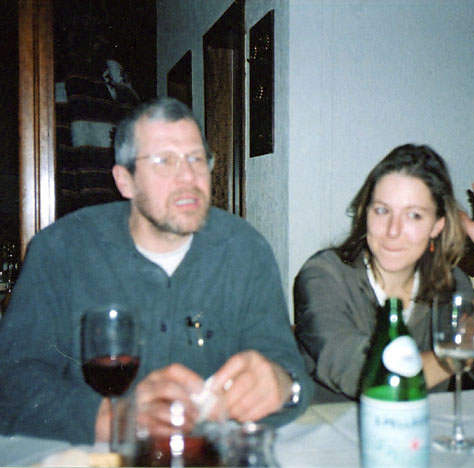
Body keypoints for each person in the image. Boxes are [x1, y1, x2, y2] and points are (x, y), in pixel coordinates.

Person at [0, 97, 313, 444]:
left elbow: (288, 370)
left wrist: (284, 385)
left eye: (197, 159)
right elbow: (11, 381)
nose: (188, 177)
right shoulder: (60, 250)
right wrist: (112, 419)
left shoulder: (245, 249)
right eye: (164, 161)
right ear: (125, 181)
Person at [294, 144, 474, 402]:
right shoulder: (325, 275)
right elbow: (360, 375)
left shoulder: (449, 283)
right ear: (366, 213)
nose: (393, 230)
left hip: (419, 427)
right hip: (330, 427)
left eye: (414, 215)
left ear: (437, 226)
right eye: (382, 210)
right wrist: (457, 353)